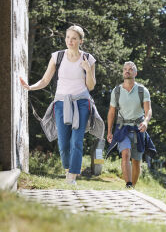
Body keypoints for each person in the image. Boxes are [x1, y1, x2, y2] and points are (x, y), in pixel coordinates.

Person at [20, 25, 104, 185]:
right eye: (67, 37)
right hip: (60, 103)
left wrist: (87, 70)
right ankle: (68, 169)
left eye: (74, 38)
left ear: (81, 40)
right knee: (63, 142)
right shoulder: (57, 56)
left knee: (77, 141)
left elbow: (91, 86)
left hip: (81, 102)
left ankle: (72, 176)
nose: (70, 41)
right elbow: (45, 80)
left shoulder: (88, 58)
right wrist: (31, 87)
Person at [106, 62, 152, 188]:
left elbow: (148, 110)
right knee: (125, 153)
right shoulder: (116, 91)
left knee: (136, 161)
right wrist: (109, 131)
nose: (127, 71)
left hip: (138, 128)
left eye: (130, 69)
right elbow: (111, 112)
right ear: (122, 72)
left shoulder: (143, 90)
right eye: (125, 69)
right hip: (122, 128)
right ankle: (128, 184)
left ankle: (133, 188)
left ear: (135, 73)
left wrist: (146, 122)